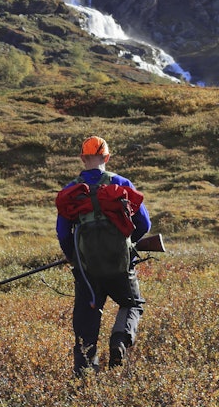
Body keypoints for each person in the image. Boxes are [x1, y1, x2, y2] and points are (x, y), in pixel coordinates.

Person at [55, 135, 151, 376]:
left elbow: (63, 233)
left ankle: (86, 379)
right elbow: (144, 224)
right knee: (132, 304)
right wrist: (127, 245)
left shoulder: (72, 191)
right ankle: (119, 341)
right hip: (120, 267)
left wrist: (74, 257)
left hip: (87, 271)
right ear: (106, 157)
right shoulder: (121, 183)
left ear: (82, 158)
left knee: (86, 325)